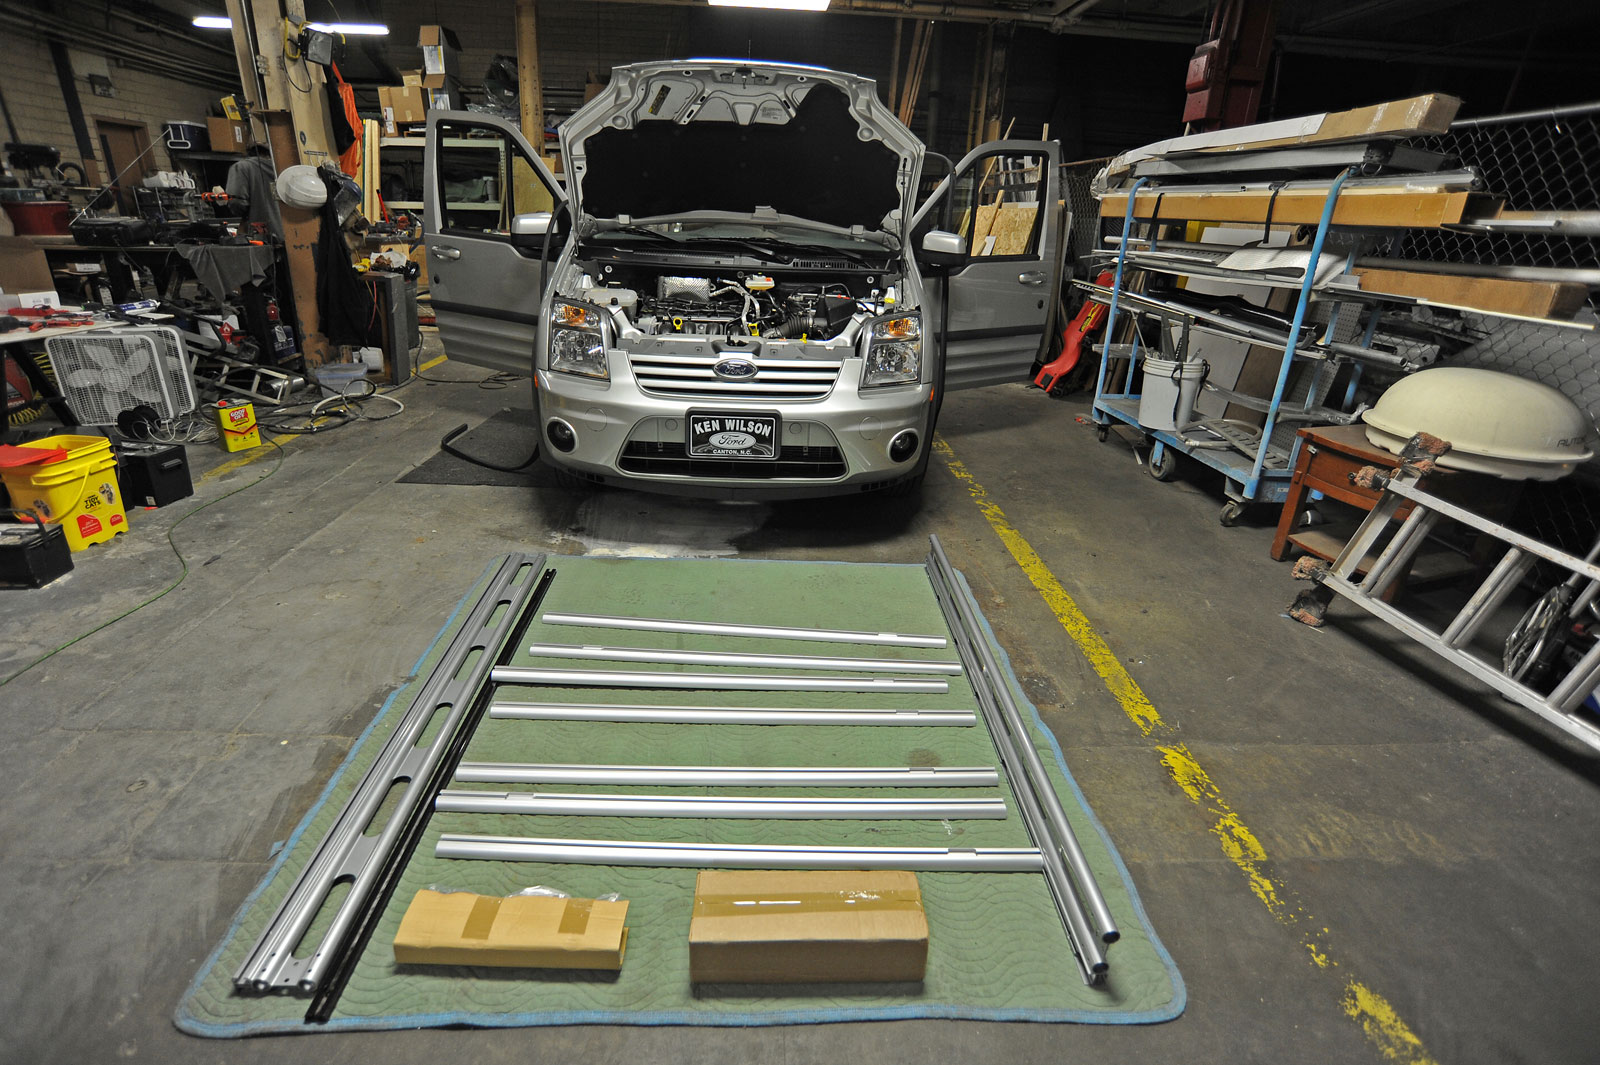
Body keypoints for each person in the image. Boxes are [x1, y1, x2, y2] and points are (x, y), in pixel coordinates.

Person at [223, 144, 284, 242]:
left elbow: (236, 202)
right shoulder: (286, 168)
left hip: (262, 237)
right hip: (294, 236)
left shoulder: (242, 167)